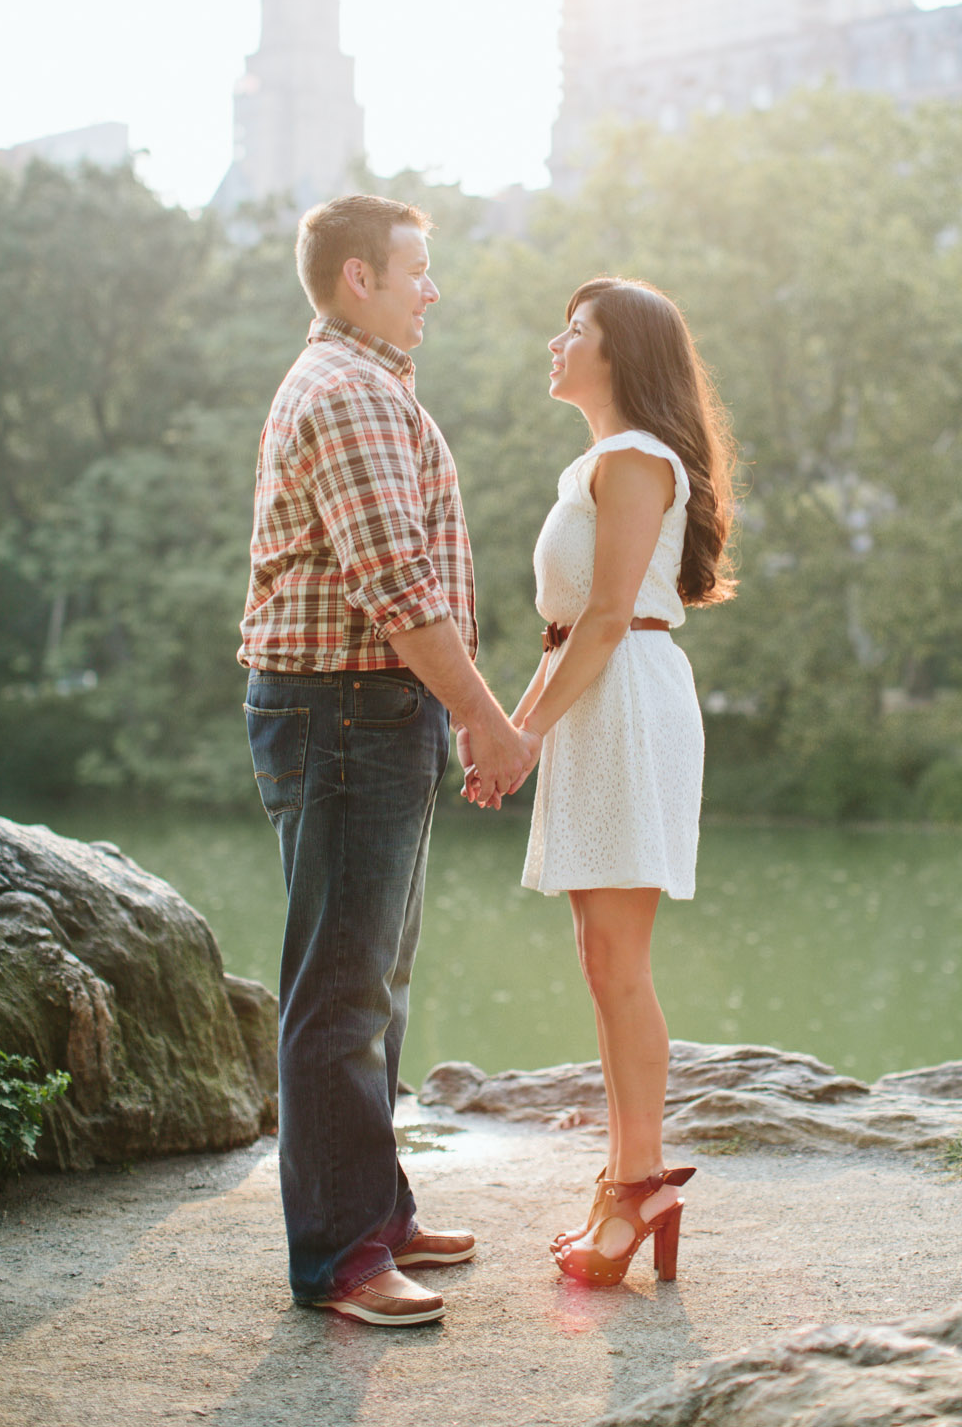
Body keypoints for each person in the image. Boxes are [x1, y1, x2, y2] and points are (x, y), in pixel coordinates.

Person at [241, 192, 535, 1327]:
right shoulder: (350, 393)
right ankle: (341, 1257)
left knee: (376, 975)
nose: (434, 286)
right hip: (347, 710)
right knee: (340, 987)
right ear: (359, 277)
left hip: (366, 711)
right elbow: (400, 594)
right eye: (419, 267)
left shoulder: (370, 385)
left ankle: (378, 1211)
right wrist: (488, 720)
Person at [463, 276, 735, 1287]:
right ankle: (628, 1182)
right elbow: (571, 625)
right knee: (601, 958)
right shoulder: (598, 462)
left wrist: (524, 734)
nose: (556, 342)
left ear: (619, 355)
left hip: (624, 700)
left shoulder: (632, 461)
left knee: (620, 963)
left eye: (574, 331)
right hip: (597, 697)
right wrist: (507, 734)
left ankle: (632, 1191)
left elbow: (611, 618)